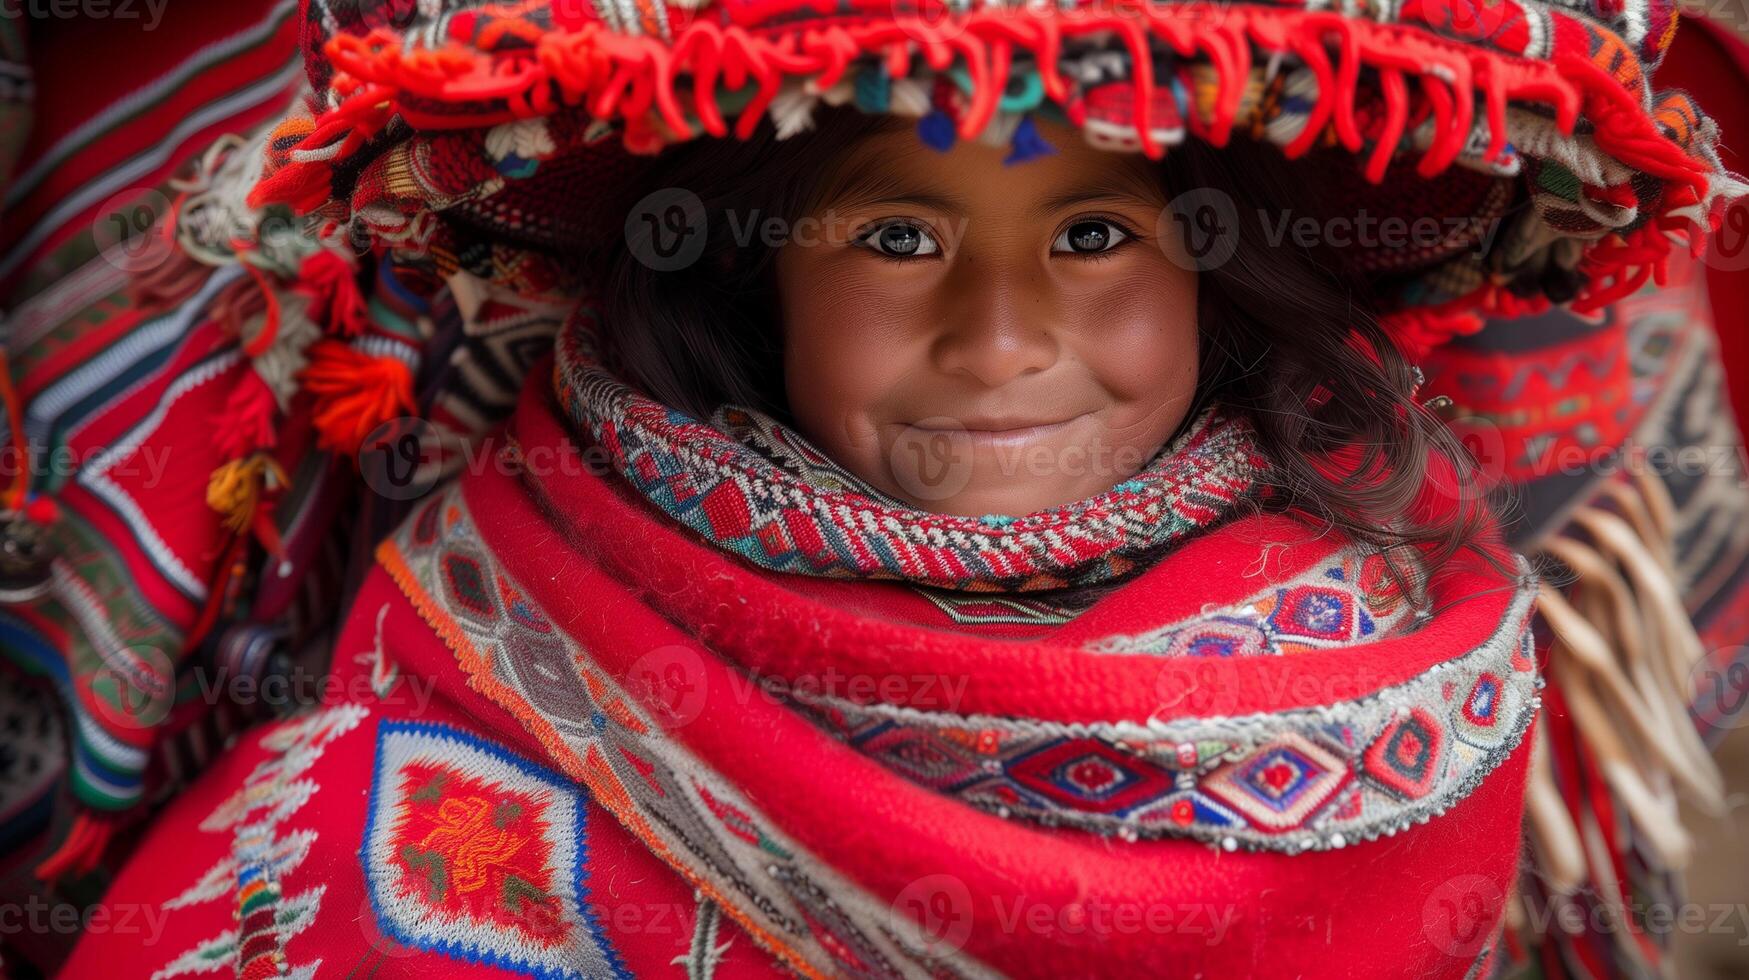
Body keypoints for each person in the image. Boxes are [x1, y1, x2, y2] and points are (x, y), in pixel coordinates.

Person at [11, 0, 1742, 976]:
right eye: (897, 236)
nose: (1001, 337)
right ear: (753, 271)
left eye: (1091, 233)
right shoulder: (396, 806)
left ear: (1218, 266)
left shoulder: (1406, 650)